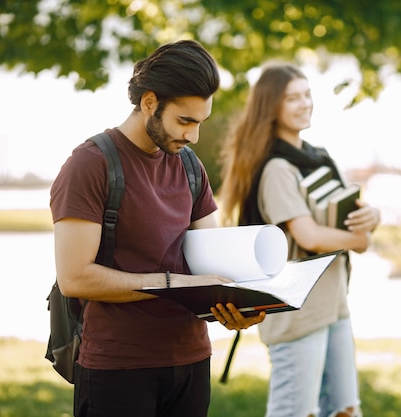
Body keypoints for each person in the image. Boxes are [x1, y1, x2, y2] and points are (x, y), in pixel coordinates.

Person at [50, 39, 265, 417]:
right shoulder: (91, 165)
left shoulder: (189, 167)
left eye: (200, 122)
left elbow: (211, 260)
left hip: (191, 361)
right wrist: (176, 283)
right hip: (118, 368)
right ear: (149, 103)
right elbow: (75, 278)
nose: (193, 136)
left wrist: (239, 303)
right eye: (185, 121)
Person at [217, 63, 381, 417]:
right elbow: (308, 235)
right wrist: (360, 241)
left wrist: (372, 217)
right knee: (295, 412)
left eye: (307, 95)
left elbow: (344, 214)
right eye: (292, 98)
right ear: (271, 106)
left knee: (345, 410)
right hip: (296, 309)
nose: (304, 103)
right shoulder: (277, 168)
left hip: (333, 304)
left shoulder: (318, 158)